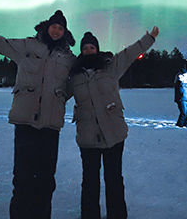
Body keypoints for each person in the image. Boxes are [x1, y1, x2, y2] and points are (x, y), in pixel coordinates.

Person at [0, 10, 76, 219]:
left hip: (50, 126)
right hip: (25, 122)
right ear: (46, 26)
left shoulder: (68, 58)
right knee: (22, 179)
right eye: (54, 26)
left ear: (64, 32)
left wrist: (58, 99)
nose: (56, 30)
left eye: (61, 28)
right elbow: (2, 43)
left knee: (46, 182)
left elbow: (76, 83)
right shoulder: (27, 46)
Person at [68, 26, 159, 219]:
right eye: (85, 48)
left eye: (92, 47)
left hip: (114, 133)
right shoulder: (74, 75)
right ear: (81, 51)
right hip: (87, 135)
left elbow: (130, 53)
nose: (89, 51)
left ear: (97, 49)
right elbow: (56, 92)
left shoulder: (111, 66)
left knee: (114, 179)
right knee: (90, 182)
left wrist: (148, 39)